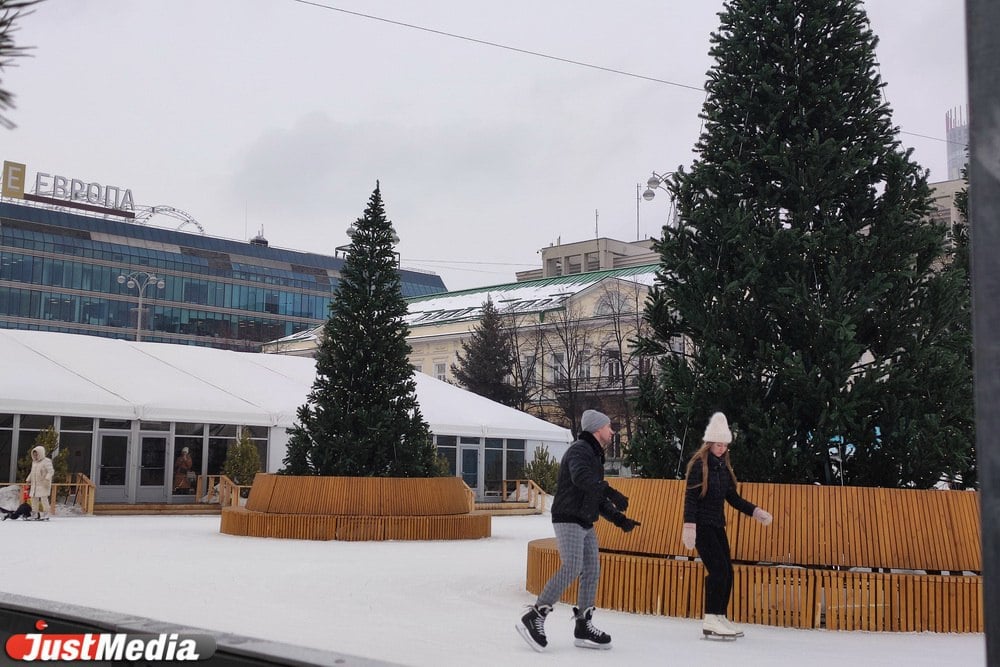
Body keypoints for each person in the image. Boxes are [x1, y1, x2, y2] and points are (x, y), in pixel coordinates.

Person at [516, 409, 641, 652]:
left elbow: (593, 492)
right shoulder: (580, 450)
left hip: (584, 520)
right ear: (597, 429)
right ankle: (536, 615)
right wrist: (611, 491)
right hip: (568, 518)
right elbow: (581, 479)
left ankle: (583, 625)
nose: (612, 431)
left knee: (592, 570)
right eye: (608, 427)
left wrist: (618, 519)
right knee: (573, 565)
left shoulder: (594, 454)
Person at [682, 412, 772, 639]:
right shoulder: (698, 466)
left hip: (716, 525)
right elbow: (690, 498)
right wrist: (689, 526)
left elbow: (733, 498)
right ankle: (711, 618)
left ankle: (720, 615)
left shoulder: (724, 468)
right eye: (717, 444)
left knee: (727, 571)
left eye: (724, 445)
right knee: (719, 571)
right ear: (709, 444)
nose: (721, 449)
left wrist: (755, 512)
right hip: (702, 526)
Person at [26, 445, 54, 520]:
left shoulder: (46, 461)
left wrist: (47, 479)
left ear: (41, 453)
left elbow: (51, 471)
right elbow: (32, 472)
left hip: (43, 483)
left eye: (36, 454)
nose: (35, 456)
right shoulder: (34, 462)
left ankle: (46, 513)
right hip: (35, 484)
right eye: (34, 454)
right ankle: (35, 513)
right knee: (33, 498)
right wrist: (28, 479)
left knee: (44, 498)